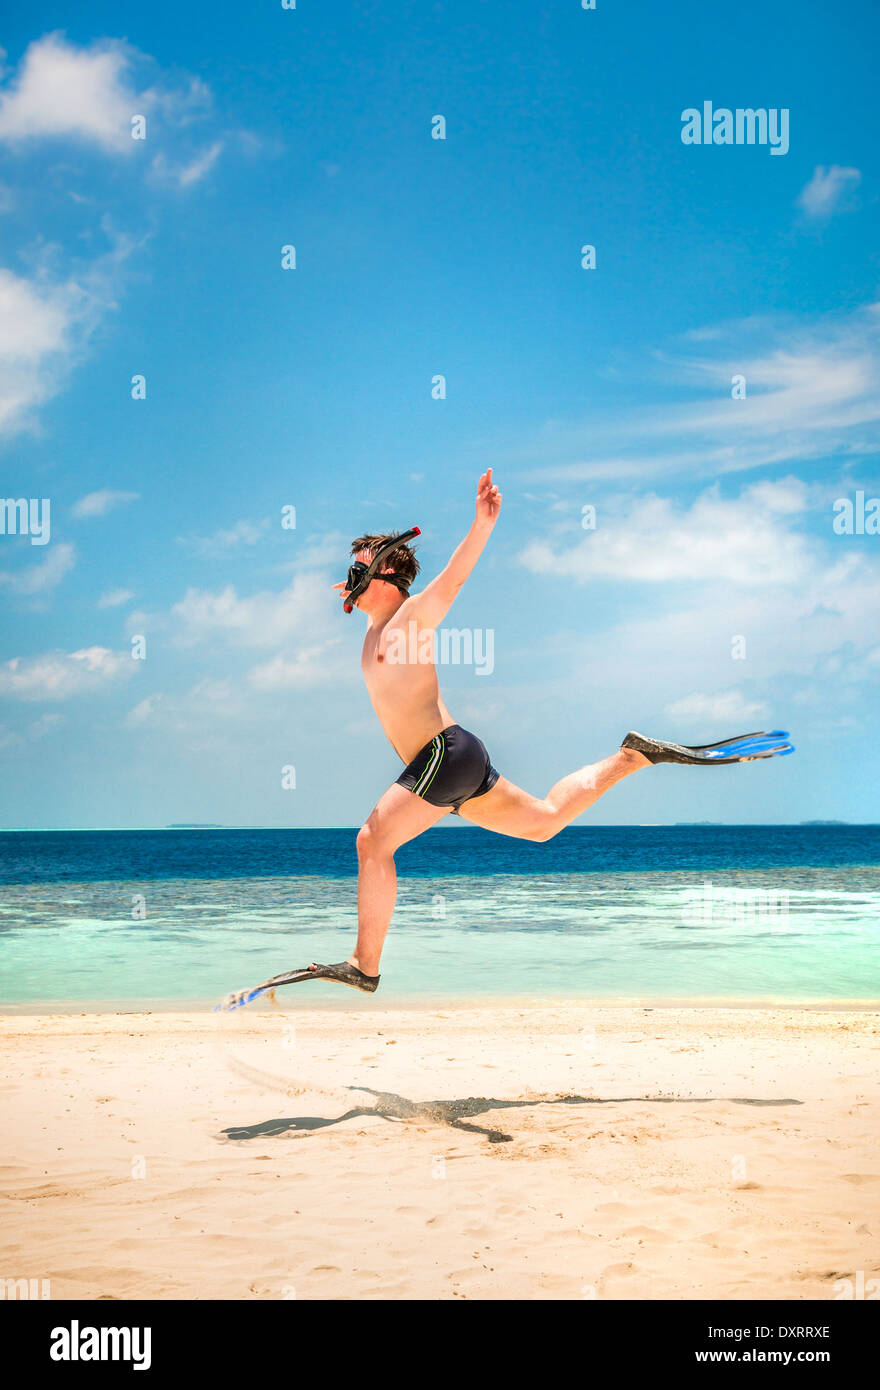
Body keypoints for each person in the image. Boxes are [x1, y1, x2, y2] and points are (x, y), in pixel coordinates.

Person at [219, 470, 792, 1009]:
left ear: (386, 577)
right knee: (543, 822)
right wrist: (357, 576)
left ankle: (365, 965)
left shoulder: (410, 620)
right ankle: (632, 756)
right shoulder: (373, 633)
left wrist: (483, 524)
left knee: (373, 842)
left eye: (359, 565)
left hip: (444, 755)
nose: (348, 576)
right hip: (453, 765)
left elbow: (455, 579)